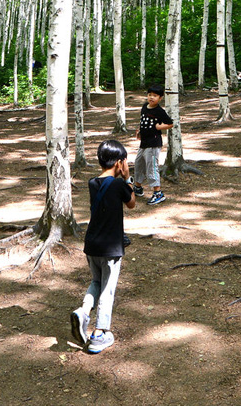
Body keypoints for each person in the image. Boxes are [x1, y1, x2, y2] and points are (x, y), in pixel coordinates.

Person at [71, 139, 136, 353]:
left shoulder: (92, 183)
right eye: (124, 162)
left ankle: (83, 311)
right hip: (110, 248)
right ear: (119, 163)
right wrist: (129, 178)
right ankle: (99, 333)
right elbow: (132, 202)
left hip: (92, 245)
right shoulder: (119, 184)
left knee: (96, 281)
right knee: (108, 289)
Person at [132, 85, 173, 205]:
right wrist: (139, 130)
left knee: (151, 167)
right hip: (143, 142)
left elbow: (170, 124)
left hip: (153, 143)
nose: (151, 97)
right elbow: (142, 120)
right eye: (150, 95)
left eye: (155, 96)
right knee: (138, 163)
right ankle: (138, 188)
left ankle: (158, 193)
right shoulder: (145, 106)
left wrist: (160, 127)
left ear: (160, 98)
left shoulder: (159, 111)